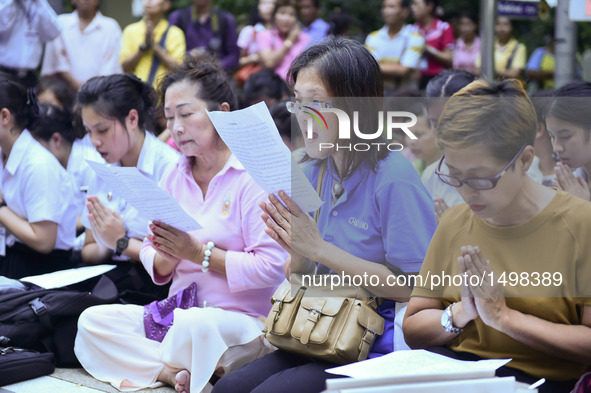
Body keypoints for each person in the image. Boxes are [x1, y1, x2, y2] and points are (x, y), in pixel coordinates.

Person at [212, 36, 436, 393]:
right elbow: (300, 275)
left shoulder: (394, 178)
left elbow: (415, 287)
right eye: (298, 103)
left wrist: (318, 249)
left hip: (369, 345)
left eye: (317, 102)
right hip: (313, 331)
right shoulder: (310, 168)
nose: (304, 117)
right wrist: (297, 250)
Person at [75, 54, 287, 393]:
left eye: (186, 114)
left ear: (223, 112)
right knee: (92, 322)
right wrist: (164, 257)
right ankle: (171, 374)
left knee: (196, 327)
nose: (175, 128)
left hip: (240, 323)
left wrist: (198, 253)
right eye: (170, 117)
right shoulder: (176, 174)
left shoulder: (252, 176)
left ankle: (166, 364)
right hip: (177, 312)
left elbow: (271, 268)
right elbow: (149, 246)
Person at [403, 79, 591, 393]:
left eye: (481, 178)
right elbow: (413, 325)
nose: (464, 190)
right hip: (455, 373)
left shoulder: (580, 224)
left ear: (525, 160)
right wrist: (460, 313)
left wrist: (504, 318)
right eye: (453, 174)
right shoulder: (455, 221)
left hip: (544, 382)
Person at [75, 74, 179, 300]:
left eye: (102, 130)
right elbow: (89, 250)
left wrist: (120, 242)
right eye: (88, 131)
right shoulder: (102, 168)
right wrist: (106, 240)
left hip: (155, 288)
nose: (94, 141)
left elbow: (170, 263)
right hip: (108, 278)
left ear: (132, 119)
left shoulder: (170, 169)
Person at [0, 79, 79, 278]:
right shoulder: (5, 152)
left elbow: (44, 241)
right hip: (11, 256)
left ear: (4, 116)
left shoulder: (38, 164)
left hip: (40, 269)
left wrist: (1, 208)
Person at [41, 0, 122, 90]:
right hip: (64, 93)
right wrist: (79, 87)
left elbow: (110, 65)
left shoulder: (110, 27)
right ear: (72, 1)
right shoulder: (60, 23)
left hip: (100, 93)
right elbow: (58, 62)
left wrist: (92, 90)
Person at [120, 0, 185, 88]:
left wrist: (154, 46)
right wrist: (143, 47)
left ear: (166, 5)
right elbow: (124, 67)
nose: (148, 1)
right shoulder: (130, 30)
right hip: (136, 92)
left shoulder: (175, 33)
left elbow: (178, 68)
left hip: (163, 92)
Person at [365, 0, 425, 92]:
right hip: (379, 96)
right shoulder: (372, 37)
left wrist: (378, 66)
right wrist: (398, 67)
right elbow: (368, 68)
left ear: (405, 12)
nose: (386, 11)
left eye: (391, 7)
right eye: (384, 7)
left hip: (405, 99)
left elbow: (404, 71)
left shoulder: (415, 38)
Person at [546, 81, 591, 201]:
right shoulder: (571, 183)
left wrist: (581, 209)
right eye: (552, 136)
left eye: (566, 136)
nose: (556, 148)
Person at [0, 0, 61, 88]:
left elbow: (53, 33)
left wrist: (38, 2)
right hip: (3, 73)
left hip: (29, 76)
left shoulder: (37, 3)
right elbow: (2, 26)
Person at [169, 0, 240, 73]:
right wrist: (189, 55)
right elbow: (169, 54)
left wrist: (214, 66)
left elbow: (234, 56)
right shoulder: (178, 17)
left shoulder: (225, 19)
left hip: (217, 76)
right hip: (185, 74)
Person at [257, 0, 312, 81]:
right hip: (273, 87)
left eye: (292, 14)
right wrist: (289, 41)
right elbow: (269, 63)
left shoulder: (305, 39)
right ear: (274, 15)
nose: (286, 18)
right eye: (282, 13)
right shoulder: (265, 36)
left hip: (297, 87)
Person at [411, 0, 454, 89]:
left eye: (416, 4)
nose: (413, 8)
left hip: (439, 79)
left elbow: (449, 58)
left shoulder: (444, 27)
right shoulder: (411, 29)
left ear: (429, 6)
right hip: (417, 80)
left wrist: (427, 48)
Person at [476, 16, 526, 81]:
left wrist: (490, 71)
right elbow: (477, 70)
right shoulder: (487, 44)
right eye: (498, 24)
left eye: (505, 24)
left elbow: (514, 73)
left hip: (508, 88)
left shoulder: (519, 47)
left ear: (512, 27)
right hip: (488, 85)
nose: (501, 28)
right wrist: (504, 72)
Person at [235, 0, 276, 77]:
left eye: (273, 3)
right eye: (265, 3)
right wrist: (253, 58)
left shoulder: (282, 32)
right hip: (253, 80)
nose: (270, 7)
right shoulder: (250, 31)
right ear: (257, 7)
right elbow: (235, 60)